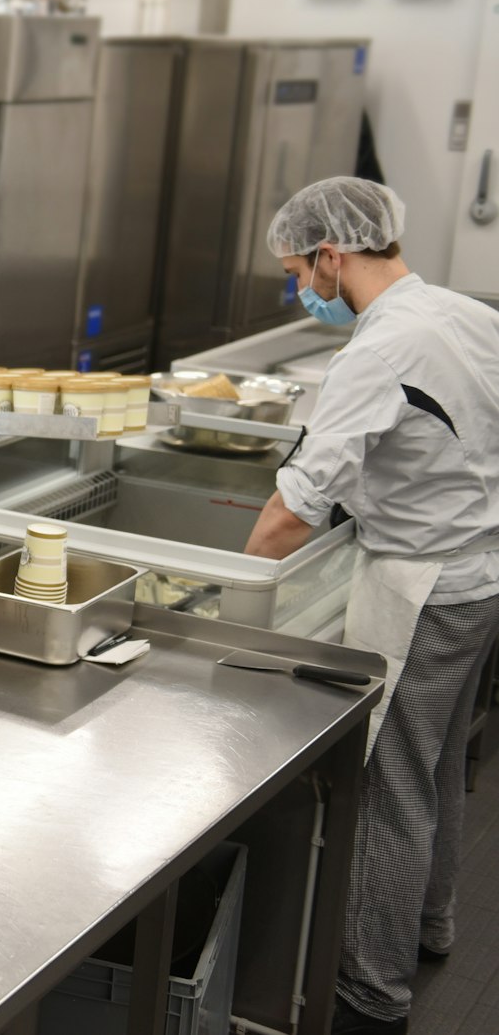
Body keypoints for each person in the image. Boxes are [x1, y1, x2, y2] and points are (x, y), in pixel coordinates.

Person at [241, 177, 499, 1035]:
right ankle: (431, 923)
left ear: (332, 251)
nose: (302, 289)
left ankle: (372, 990)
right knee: (434, 765)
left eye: (299, 271)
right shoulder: (463, 313)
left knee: (390, 780)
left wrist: (234, 594)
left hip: (426, 587)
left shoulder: (378, 349)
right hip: (483, 574)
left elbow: (296, 506)